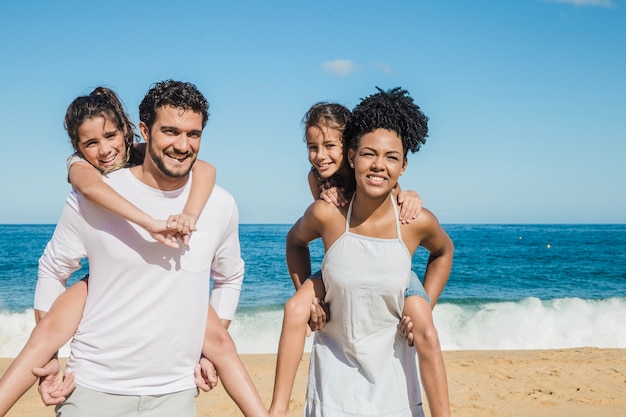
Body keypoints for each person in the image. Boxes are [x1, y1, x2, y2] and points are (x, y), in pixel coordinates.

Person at [4, 80, 268, 417]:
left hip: (174, 395)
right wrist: (51, 358)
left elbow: (229, 277)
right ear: (144, 130)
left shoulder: (220, 203)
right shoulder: (96, 193)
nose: (182, 145)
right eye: (170, 131)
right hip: (91, 389)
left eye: (193, 134)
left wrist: (205, 351)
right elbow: (53, 269)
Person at [274, 87, 453, 417]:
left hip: (398, 265)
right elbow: (297, 240)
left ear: (345, 147)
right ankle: (277, 410)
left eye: (329, 146)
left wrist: (426, 300)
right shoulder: (320, 187)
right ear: (355, 154)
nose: (320, 155)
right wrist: (309, 297)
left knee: (425, 327)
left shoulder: (398, 200)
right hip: (340, 258)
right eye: (312, 147)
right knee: (296, 308)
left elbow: (441, 247)